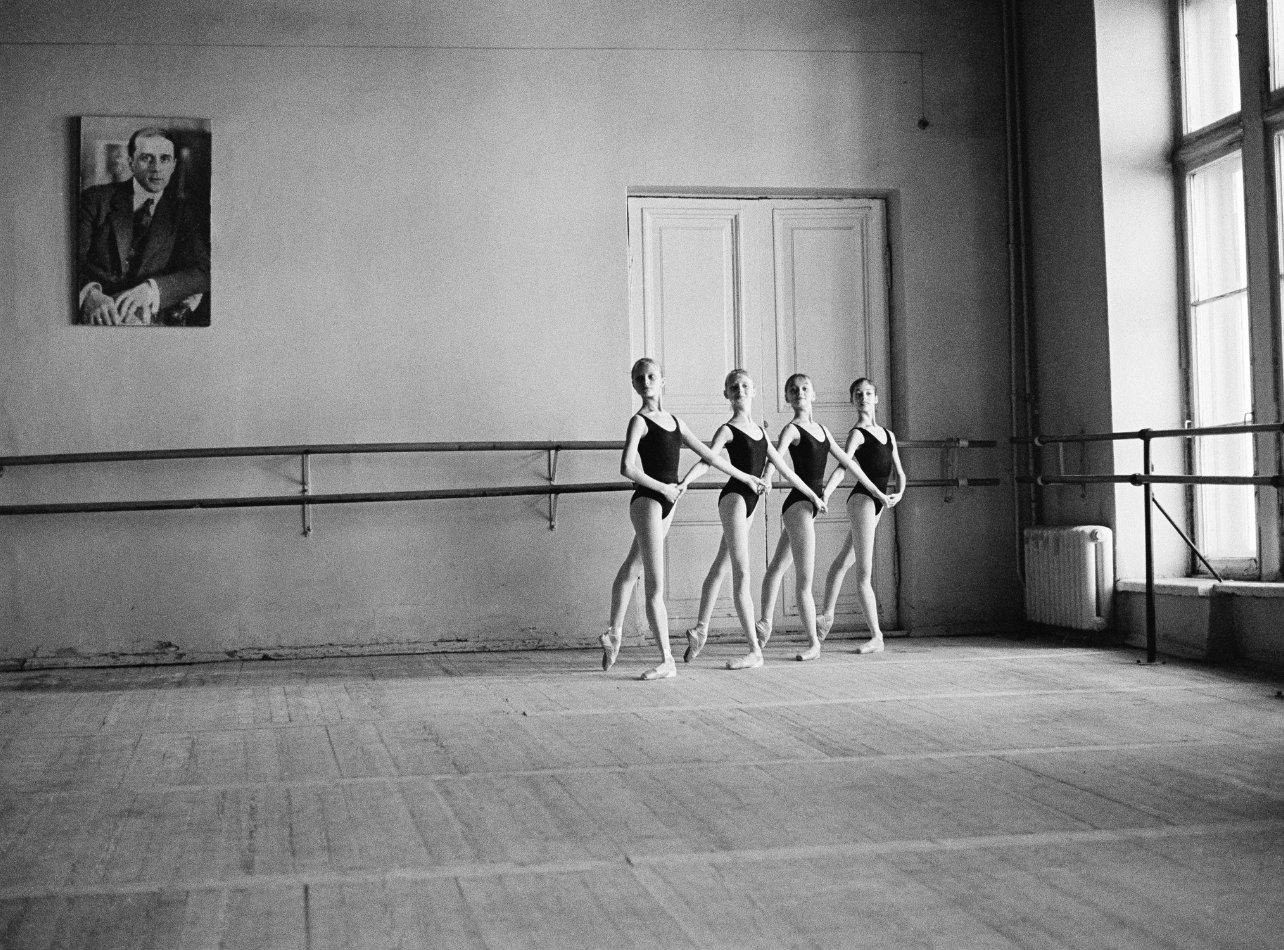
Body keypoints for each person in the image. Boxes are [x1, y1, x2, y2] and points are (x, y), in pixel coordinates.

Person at [601, 359, 766, 680]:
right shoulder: (639, 421)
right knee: (655, 584)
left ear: (663, 381)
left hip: (668, 502)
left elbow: (710, 456)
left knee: (631, 567)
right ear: (634, 385)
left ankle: (613, 632)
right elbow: (628, 467)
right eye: (639, 378)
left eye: (652, 376)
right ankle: (667, 659)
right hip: (648, 501)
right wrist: (663, 487)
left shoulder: (676, 422)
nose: (646, 381)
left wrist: (745, 477)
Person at [677, 369, 824, 671]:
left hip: (751, 501)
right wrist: (684, 483)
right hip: (734, 498)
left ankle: (700, 630)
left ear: (754, 391)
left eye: (745, 385)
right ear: (727, 395)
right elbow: (708, 459)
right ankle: (754, 650)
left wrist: (814, 496)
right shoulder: (728, 429)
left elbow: (785, 468)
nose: (740, 390)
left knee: (721, 565)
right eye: (734, 387)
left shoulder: (760, 431)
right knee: (742, 573)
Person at [756, 373, 895, 661]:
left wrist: (876, 494)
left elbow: (848, 466)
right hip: (799, 505)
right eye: (793, 390)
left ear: (814, 394)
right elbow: (776, 459)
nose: (800, 393)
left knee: (777, 567)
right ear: (787, 398)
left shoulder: (822, 430)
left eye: (805, 388)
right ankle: (813, 643)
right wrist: (766, 478)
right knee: (804, 579)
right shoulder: (791, 430)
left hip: (810, 505)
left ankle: (764, 624)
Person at [78, 127, 210, 326]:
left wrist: (152, 290)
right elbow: (68, 263)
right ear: (131, 162)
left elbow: (203, 271)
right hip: (96, 320)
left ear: (174, 165)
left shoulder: (186, 213)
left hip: (148, 324)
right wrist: (88, 293)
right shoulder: (95, 200)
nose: (156, 168)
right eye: (147, 158)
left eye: (164, 159)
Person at [816, 378, 906, 653]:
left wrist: (899, 494)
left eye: (868, 393)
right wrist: (826, 493)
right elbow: (843, 467)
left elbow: (899, 473)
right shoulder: (857, 434)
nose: (864, 397)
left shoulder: (888, 435)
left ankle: (825, 617)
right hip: (863, 501)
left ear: (876, 399)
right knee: (864, 574)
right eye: (858, 394)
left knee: (844, 560)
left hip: (880, 501)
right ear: (852, 401)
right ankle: (877, 636)